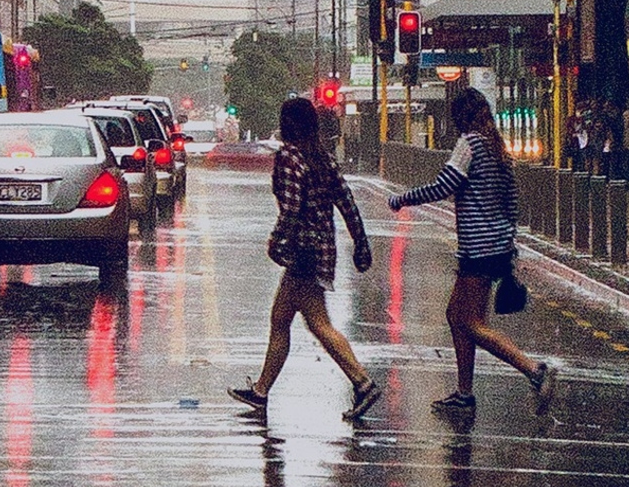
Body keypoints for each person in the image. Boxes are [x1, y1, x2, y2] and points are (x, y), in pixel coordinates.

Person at [389, 88, 561, 416]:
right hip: (495, 247)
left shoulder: (469, 144)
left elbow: (444, 185)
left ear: (460, 117)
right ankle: (464, 394)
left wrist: (403, 199)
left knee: (470, 321)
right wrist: (508, 243)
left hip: (478, 249)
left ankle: (534, 371)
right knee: (456, 315)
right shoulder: (497, 148)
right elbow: (512, 201)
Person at [231, 97, 384, 422]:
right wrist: (360, 241)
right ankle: (261, 391)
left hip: (303, 253)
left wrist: (277, 241)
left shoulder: (289, 157)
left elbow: (291, 208)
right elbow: (346, 201)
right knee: (281, 318)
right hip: (321, 250)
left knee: (318, 323)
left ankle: (363, 382)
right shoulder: (321, 157)